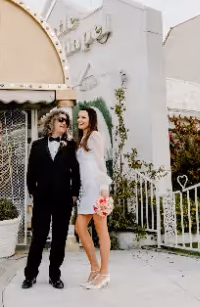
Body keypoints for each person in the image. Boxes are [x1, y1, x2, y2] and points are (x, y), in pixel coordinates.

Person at [22, 109, 80, 290]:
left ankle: (55, 276)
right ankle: (30, 275)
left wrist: (74, 193)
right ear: (51, 122)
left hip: (63, 200)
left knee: (59, 238)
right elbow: (31, 172)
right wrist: (34, 191)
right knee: (38, 237)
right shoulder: (37, 145)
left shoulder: (70, 146)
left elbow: (76, 172)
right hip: (43, 199)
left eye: (66, 121)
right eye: (60, 120)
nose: (64, 123)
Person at [74, 107, 113, 290]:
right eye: (78, 117)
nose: (79, 119)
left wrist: (104, 187)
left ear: (91, 119)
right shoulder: (82, 138)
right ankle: (94, 268)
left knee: (100, 228)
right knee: (80, 227)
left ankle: (104, 273)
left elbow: (100, 162)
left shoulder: (95, 136)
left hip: (96, 188)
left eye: (83, 117)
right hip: (85, 190)